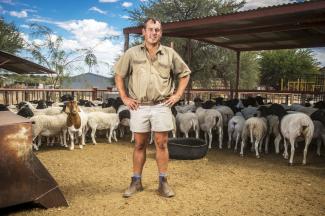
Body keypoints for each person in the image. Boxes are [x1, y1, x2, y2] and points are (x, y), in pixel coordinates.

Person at [114, 17, 191, 198]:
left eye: (157, 30)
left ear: (161, 33)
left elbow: (185, 73)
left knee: (162, 144)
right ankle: (136, 182)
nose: (154, 33)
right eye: (150, 29)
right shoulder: (132, 53)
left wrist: (177, 95)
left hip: (161, 105)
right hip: (139, 106)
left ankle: (163, 183)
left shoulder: (170, 54)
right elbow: (119, 75)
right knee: (139, 144)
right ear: (144, 32)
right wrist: (124, 97)